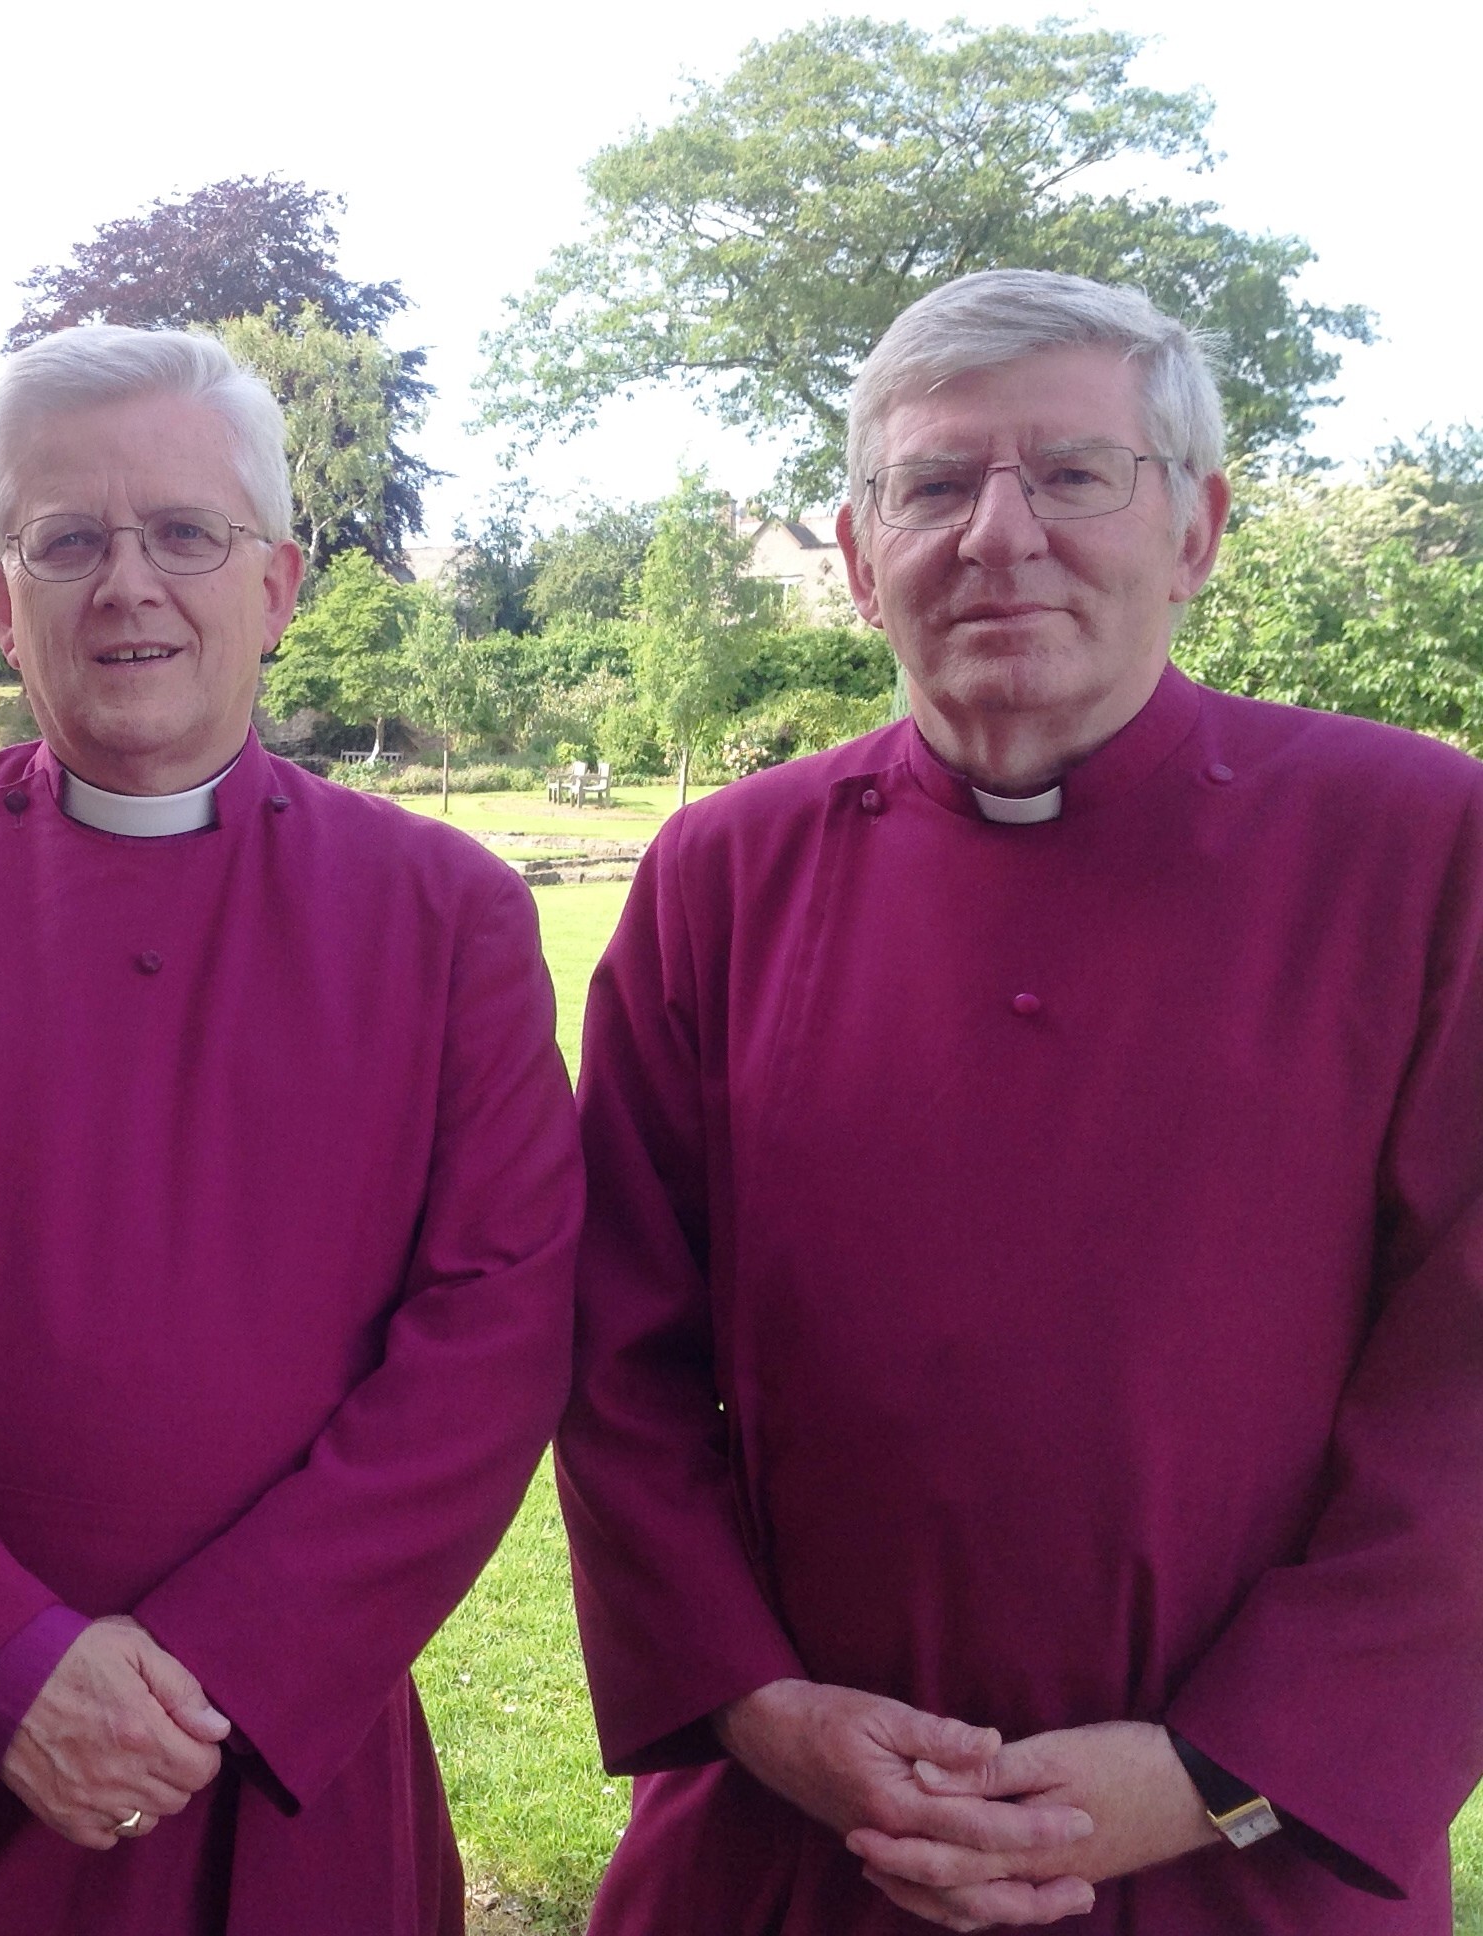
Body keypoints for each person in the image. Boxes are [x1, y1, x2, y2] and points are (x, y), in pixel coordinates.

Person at [557, 267, 1483, 1934]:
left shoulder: (1417, 849)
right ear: (860, 558)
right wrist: (757, 1706)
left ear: (1195, 529)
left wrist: (1223, 1768)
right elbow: (614, 1345)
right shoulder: (722, 877)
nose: (999, 535)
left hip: (1244, 1859)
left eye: (1070, 473)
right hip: (802, 1840)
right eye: (934, 486)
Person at [0, 324, 580, 1935]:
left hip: (277, 1762)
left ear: (278, 587)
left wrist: (231, 1664)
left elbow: (494, 1332)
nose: (128, 585)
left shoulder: (447, 920)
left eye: (184, 533)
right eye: (67, 541)